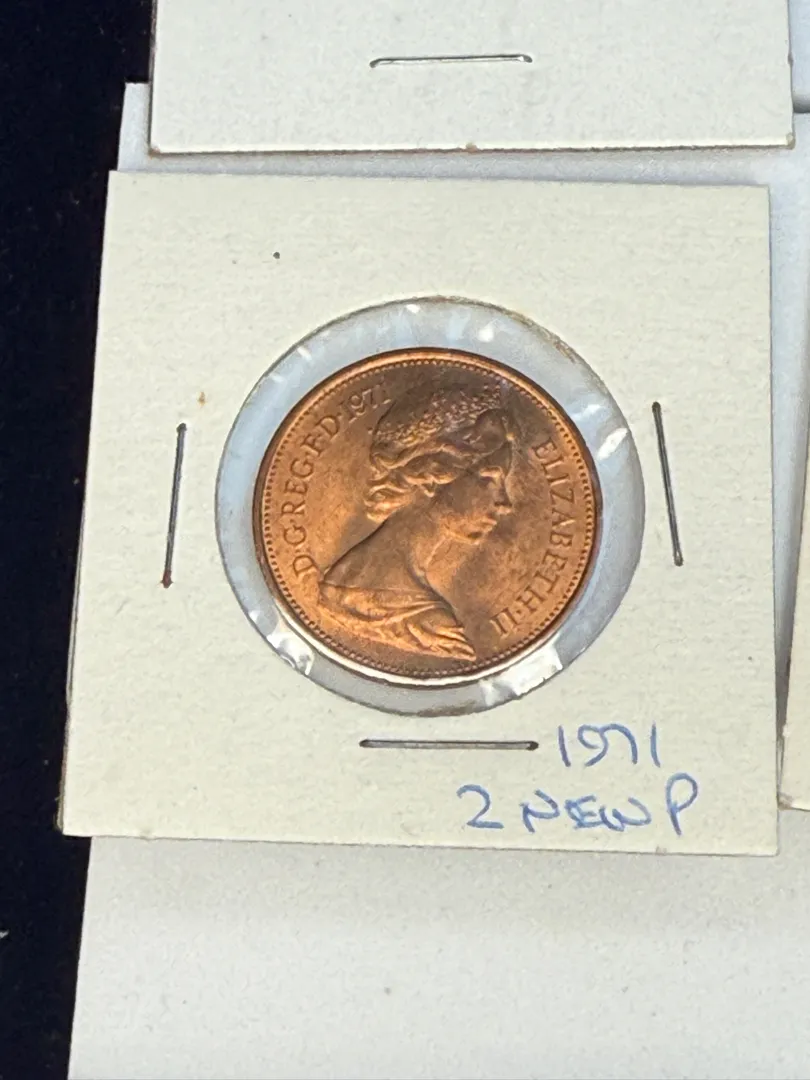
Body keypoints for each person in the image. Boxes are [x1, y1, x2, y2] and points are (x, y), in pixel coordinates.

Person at [320, 382, 515, 661]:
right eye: (489, 479)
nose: (505, 504)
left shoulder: (336, 585)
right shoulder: (435, 627)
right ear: (430, 474)